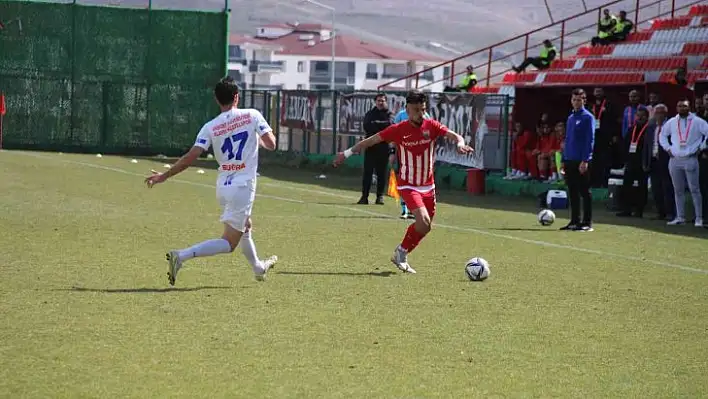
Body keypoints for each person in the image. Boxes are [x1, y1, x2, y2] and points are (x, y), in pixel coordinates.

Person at [144, 76, 278, 285]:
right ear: (237, 97)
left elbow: (190, 157)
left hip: (223, 187)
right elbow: (271, 144)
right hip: (242, 187)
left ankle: (258, 268)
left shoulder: (210, 126)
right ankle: (181, 256)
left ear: (217, 100)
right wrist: (256, 139)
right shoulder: (252, 115)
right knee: (229, 243)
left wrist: (164, 175)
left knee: (245, 225)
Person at [333, 89, 473, 274]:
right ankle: (401, 253)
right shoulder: (398, 129)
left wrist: (460, 144)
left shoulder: (431, 126)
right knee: (423, 221)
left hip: (428, 185)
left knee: (426, 226)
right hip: (408, 184)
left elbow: (456, 136)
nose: (420, 114)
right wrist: (347, 153)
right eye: (416, 110)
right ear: (407, 109)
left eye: (423, 109)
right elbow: (371, 141)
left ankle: (401, 252)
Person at [659, 99, 708, 227]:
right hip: (675, 158)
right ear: (676, 108)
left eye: (684, 106)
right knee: (677, 189)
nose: (682, 108)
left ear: (689, 107)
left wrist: (702, 147)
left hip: (690, 158)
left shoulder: (698, 121)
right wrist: (667, 148)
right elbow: (662, 135)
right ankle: (680, 217)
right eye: (679, 106)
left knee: (695, 189)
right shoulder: (671, 122)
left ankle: (699, 218)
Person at [561, 88, 595, 231]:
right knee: (572, 191)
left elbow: (590, 139)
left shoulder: (588, 117)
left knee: (584, 191)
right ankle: (574, 221)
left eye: (579, 100)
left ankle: (587, 222)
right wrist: (563, 158)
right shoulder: (570, 118)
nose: (576, 102)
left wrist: (585, 160)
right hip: (569, 159)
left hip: (581, 160)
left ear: (584, 100)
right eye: (574, 99)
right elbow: (568, 139)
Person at [392, 106, 431, 219]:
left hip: (418, 155)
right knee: (404, 181)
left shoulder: (425, 116)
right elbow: (394, 133)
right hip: (403, 154)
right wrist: (392, 151)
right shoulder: (401, 115)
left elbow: (429, 134)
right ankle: (404, 210)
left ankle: (415, 209)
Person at [616, 108, 651, 218]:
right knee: (626, 186)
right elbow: (625, 144)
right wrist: (625, 159)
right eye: (638, 115)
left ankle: (639, 211)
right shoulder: (632, 129)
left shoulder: (649, 129)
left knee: (642, 187)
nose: (639, 118)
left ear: (647, 117)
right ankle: (626, 209)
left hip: (642, 163)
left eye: (642, 116)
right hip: (631, 162)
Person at [358, 93, 393, 205]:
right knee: (367, 173)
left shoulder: (390, 115)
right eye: (378, 100)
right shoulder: (370, 114)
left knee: (381, 174)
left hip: (383, 148)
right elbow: (368, 126)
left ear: (386, 102)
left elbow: (390, 128)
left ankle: (380, 197)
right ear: (375, 102)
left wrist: (379, 129)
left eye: (382, 101)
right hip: (371, 147)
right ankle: (364, 197)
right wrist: (381, 129)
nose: (380, 103)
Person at [647, 104, 676, 221]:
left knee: (667, 187)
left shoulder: (671, 127)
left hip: (666, 160)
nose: (658, 115)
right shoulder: (651, 127)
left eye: (661, 113)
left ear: (665, 114)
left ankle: (670, 213)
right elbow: (647, 145)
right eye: (656, 113)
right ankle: (660, 212)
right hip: (653, 161)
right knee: (656, 188)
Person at [590, 87, 619, 187]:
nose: (598, 93)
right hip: (593, 137)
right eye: (596, 91)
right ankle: (595, 183)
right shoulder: (590, 105)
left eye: (600, 91)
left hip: (606, 137)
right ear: (593, 93)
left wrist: (615, 134)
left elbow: (615, 120)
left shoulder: (609, 104)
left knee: (606, 160)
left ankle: (605, 182)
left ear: (603, 92)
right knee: (594, 160)